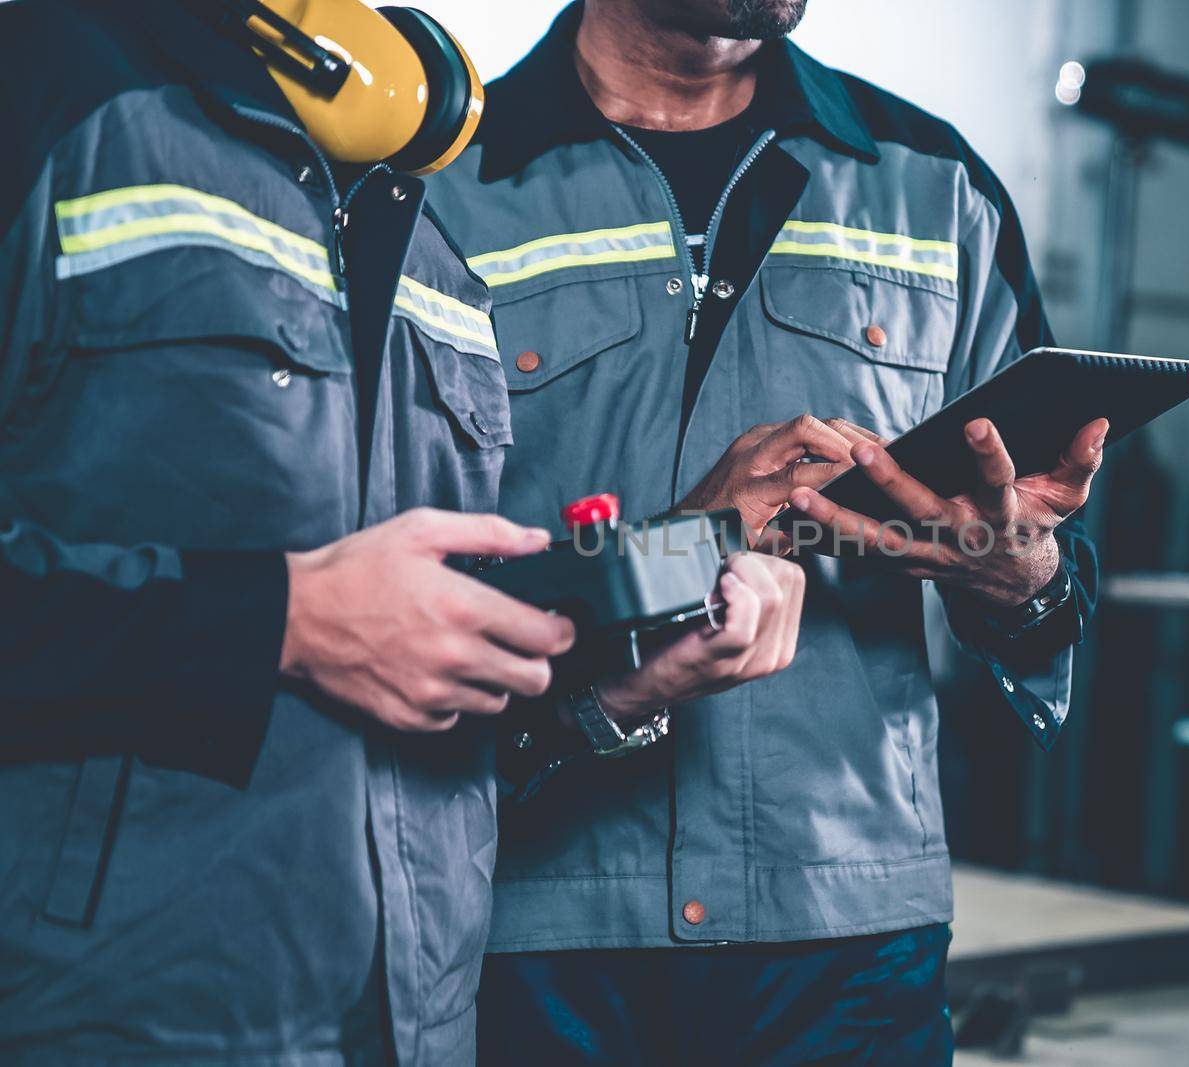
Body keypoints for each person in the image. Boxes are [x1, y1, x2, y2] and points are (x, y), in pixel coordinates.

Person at [0, 1, 803, 1063]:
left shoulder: (423, 221)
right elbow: (315, 627)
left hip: (414, 1021)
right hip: (108, 1013)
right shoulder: (43, 87)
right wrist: (277, 622)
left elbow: (401, 676)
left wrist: (606, 685)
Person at [428, 0, 1105, 1061]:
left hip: (844, 935)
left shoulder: (936, 188)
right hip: (529, 916)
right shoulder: (435, 193)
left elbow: (1033, 587)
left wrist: (1018, 575)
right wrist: (677, 548)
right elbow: (379, 586)